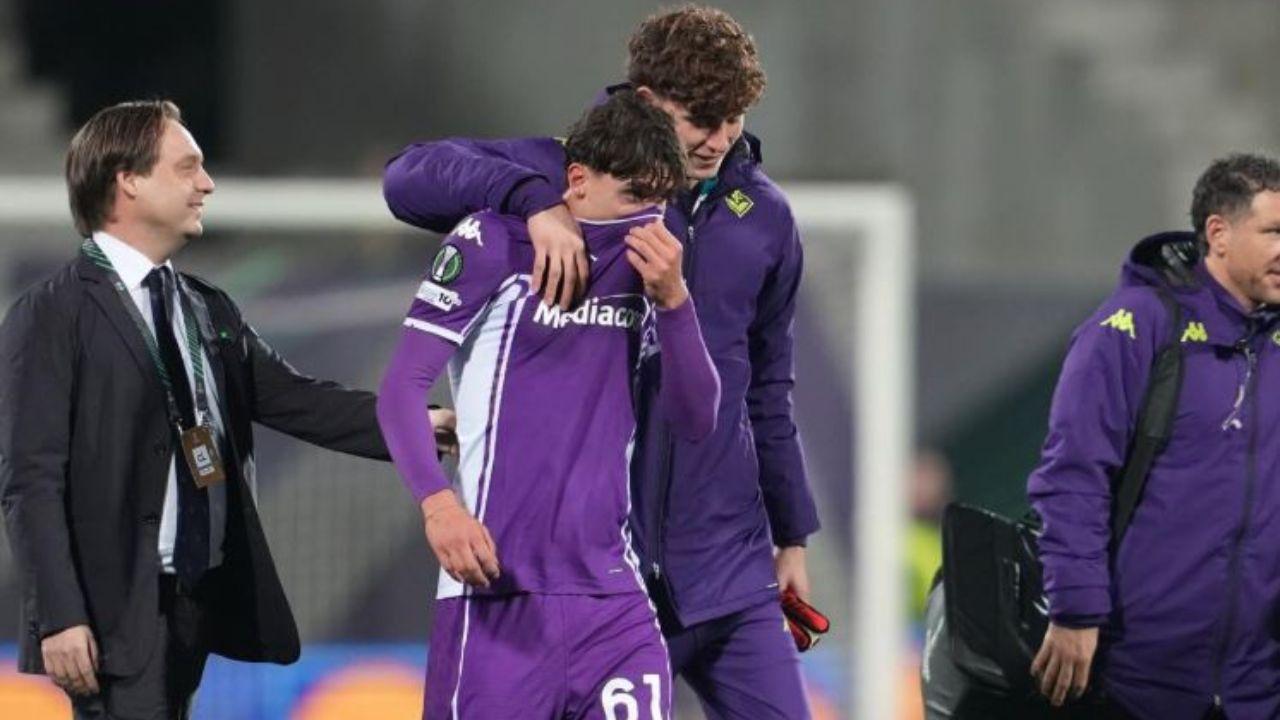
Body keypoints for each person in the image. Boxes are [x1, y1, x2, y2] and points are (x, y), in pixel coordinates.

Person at [382, 7, 818, 716]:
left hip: (723, 562)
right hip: (593, 560)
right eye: (701, 118)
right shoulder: (561, 173)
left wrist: (791, 533)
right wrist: (535, 203)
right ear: (648, 100)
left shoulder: (764, 215)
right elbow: (407, 177)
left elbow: (766, 389)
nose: (719, 139)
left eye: (734, 118)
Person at [0, 99, 395, 719]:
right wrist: (60, 616)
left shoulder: (203, 308)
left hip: (193, 601)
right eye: (187, 167)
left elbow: (297, 399)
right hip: (110, 615)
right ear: (128, 181)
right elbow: (30, 480)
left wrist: (416, 425)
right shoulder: (51, 313)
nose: (207, 184)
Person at [377, 91, 720, 718]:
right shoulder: (494, 242)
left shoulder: (656, 266)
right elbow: (401, 387)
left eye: (660, 202)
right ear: (578, 181)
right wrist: (439, 507)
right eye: (633, 197)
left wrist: (675, 302)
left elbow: (697, 419)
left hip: (613, 604)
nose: (648, 221)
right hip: (495, 593)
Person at [1028, 153, 1280, 719]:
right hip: (1134, 683)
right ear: (1219, 233)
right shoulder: (1134, 327)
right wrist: (1075, 609)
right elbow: (1073, 475)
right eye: (1274, 232)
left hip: (1256, 690)